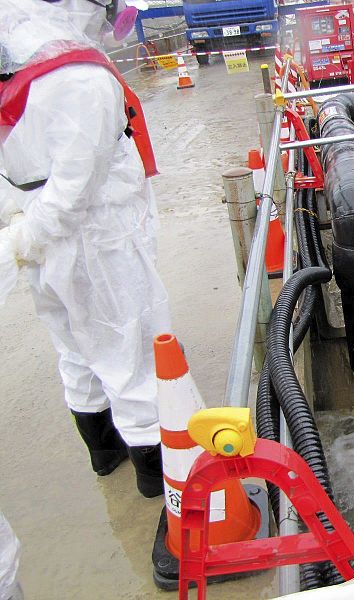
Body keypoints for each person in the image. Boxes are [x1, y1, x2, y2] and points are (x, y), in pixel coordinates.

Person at [0, 0, 169, 498]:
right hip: (98, 235)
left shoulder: (15, 70)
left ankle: (104, 451)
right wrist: (30, 234)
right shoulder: (78, 78)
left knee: (72, 344)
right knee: (129, 347)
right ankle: (157, 481)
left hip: (35, 233)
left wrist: (20, 234)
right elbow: (78, 185)